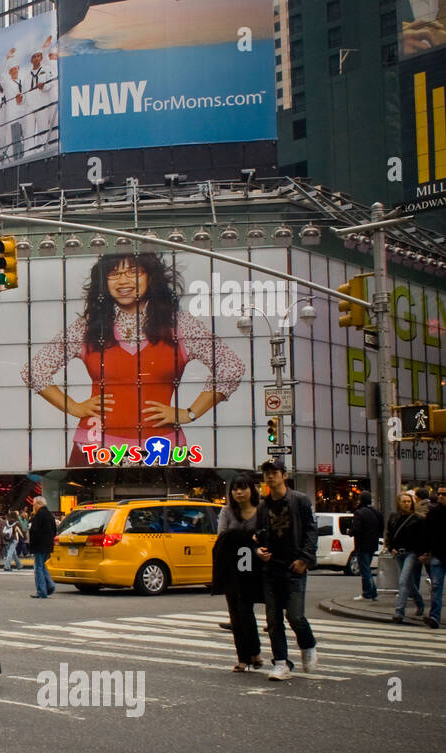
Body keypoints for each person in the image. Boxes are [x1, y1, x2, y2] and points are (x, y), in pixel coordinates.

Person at [22, 253, 246, 466]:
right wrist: (73, 407)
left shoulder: (179, 325)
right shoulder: (88, 327)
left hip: (162, 448)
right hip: (94, 447)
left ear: (151, 277)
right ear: (104, 283)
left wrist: (190, 413)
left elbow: (231, 366)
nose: (123, 281)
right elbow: (34, 371)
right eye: (114, 274)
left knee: (164, 506)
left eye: (133, 272)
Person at [254, 459, 319, 680]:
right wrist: (259, 550)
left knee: (296, 616)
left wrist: (305, 559)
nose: (270, 477)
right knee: (273, 620)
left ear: (284, 474)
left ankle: (308, 644)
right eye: (266, 473)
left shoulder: (300, 500)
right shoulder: (263, 506)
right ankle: (281, 663)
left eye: (274, 472)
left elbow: (311, 531)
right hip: (271, 568)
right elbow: (259, 534)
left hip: (295, 567)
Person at [213, 476, 265, 672]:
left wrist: (252, 541)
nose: (238, 493)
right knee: (235, 614)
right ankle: (243, 658)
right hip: (230, 568)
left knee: (245, 611)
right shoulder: (227, 511)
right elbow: (222, 537)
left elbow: (264, 535)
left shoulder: (261, 510)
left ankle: (255, 652)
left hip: (253, 569)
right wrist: (247, 538)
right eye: (235, 489)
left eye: (242, 488)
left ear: (251, 490)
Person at [387, 491, 427, 624]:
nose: (406, 504)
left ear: (412, 503)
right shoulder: (394, 517)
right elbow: (389, 533)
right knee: (409, 582)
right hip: (398, 553)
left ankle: (399, 612)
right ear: (399, 503)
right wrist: (390, 548)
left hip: (412, 553)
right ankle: (420, 604)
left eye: (409, 502)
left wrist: (422, 553)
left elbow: (423, 538)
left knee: (403, 581)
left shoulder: (418, 519)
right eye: (404, 501)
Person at [349, 491, 383, 601]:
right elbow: (381, 527)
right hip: (373, 543)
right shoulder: (377, 513)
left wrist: (350, 531)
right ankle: (369, 592)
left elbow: (357, 529)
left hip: (362, 544)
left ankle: (370, 592)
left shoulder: (359, 513)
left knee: (365, 569)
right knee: (366, 567)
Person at [421, 486, 446, 630]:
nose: (441, 496)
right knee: (436, 587)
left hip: (438, 554)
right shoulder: (434, 513)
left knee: (436, 586)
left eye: (444, 494)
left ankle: (435, 616)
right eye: (439, 494)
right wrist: (425, 551)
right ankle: (434, 616)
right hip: (437, 555)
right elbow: (426, 534)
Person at [29, 496, 57, 598]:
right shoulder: (50, 515)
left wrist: (32, 545)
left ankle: (42, 591)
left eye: (34, 504)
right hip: (48, 545)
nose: (33, 506)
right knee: (43, 566)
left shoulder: (38, 515)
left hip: (39, 545)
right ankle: (49, 585)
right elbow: (54, 531)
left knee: (38, 568)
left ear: (39, 504)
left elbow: (34, 532)